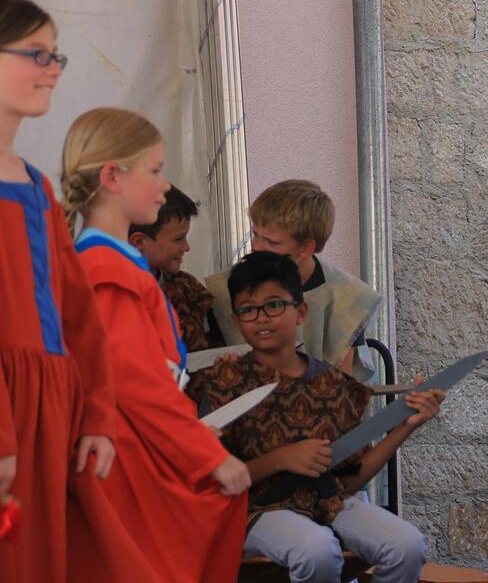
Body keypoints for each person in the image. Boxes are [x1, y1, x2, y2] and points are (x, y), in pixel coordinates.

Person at [0, 0, 157, 582]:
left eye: (56, 56)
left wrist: (96, 416)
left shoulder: (36, 187)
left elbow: (78, 318)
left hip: (50, 409)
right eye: (37, 54)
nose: (54, 70)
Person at [62, 106, 250, 583]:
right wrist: (206, 455)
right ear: (112, 177)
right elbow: (137, 383)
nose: (165, 185)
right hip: (127, 465)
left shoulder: (105, 264)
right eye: (155, 170)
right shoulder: (107, 271)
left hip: (134, 450)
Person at [188, 251, 439, 583]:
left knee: (406, 545)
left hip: (328, 502)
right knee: (317, 551)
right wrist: (281, 460)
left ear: (300, 311)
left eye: (274, 305)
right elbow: (212, 483)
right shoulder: (221, 384)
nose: (262, 318)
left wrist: (405, 427)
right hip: (252, 510)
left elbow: (350, 479)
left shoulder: (334, 385)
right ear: (236, 321)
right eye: (248, 310)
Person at [205, 179, 382, 379]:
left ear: (306, 248)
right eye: (255, 234)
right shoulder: (220, 292)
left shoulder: (349, 299)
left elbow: (345, 391)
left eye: (271, 241)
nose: (256, 247)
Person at [129, 184, 223, 351]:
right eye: (179, 238)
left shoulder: (190, 290)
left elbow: (213, 352)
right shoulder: (102, 298)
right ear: (139, 242)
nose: (187, 247)